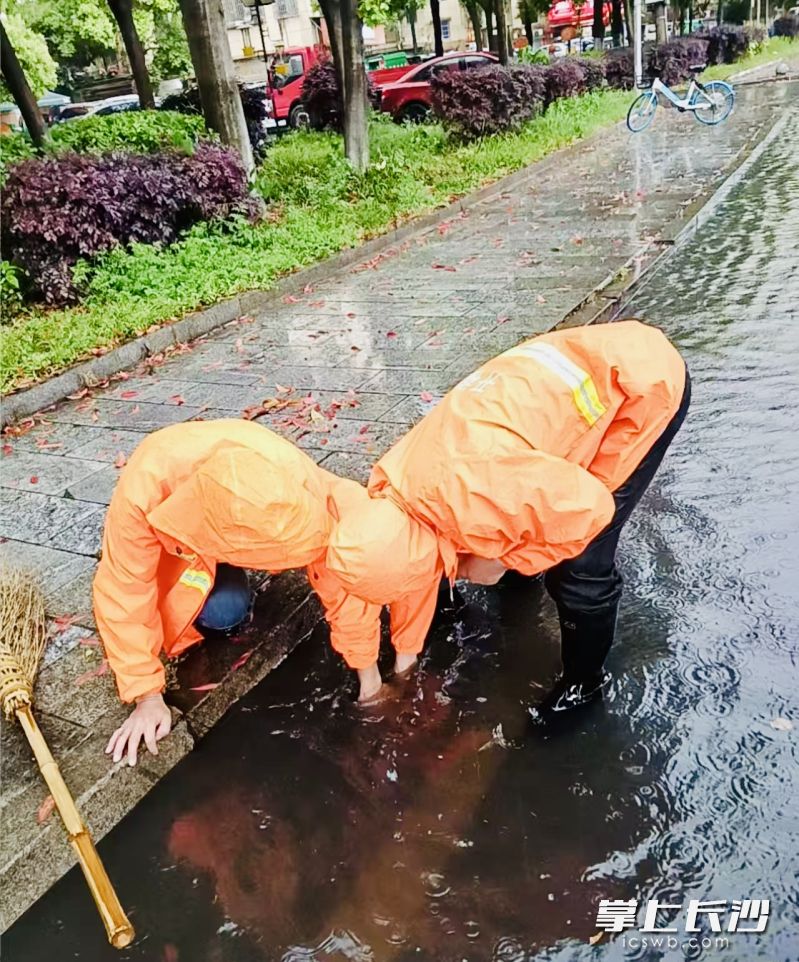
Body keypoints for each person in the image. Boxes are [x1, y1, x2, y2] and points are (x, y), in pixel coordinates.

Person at [325, 320, 690, 713]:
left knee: (579, 567)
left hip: (644, 390)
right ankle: (522, 582)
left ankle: (584, 687)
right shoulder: (391, 482)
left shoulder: (485, 487)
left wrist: (505, 560)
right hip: (579, 367)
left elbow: (591, 510)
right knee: (522, 520)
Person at [95, 419, 432, 766]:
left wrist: (371, 681)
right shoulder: (143, 496)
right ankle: (218, 573)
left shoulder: (295, 474)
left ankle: (231, 566)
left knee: (239, 601)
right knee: (225, 613)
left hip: (234, 505)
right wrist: (147, 695)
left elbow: (338, 576)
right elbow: (124, 591)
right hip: (180, 541)